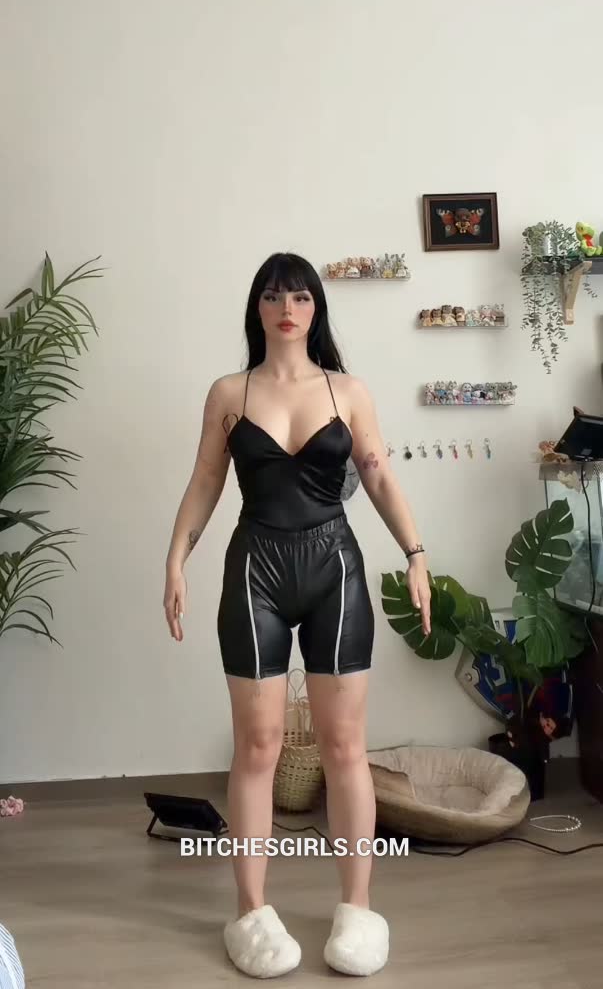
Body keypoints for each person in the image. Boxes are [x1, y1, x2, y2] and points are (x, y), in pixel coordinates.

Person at [163, 252, 431, 978]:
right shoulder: (229, 392)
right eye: (275, 296)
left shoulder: (348, 390)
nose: (288, 308)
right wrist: (176, 558)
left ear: (317, 309)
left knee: (345, 746)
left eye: (302, 296)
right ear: (257, 307)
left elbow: (378, 475)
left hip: (334, 571)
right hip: (256, 571)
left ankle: (358, 908)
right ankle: (250, 911)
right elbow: (205, 480)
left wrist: (415, 553)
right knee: (258, 746)